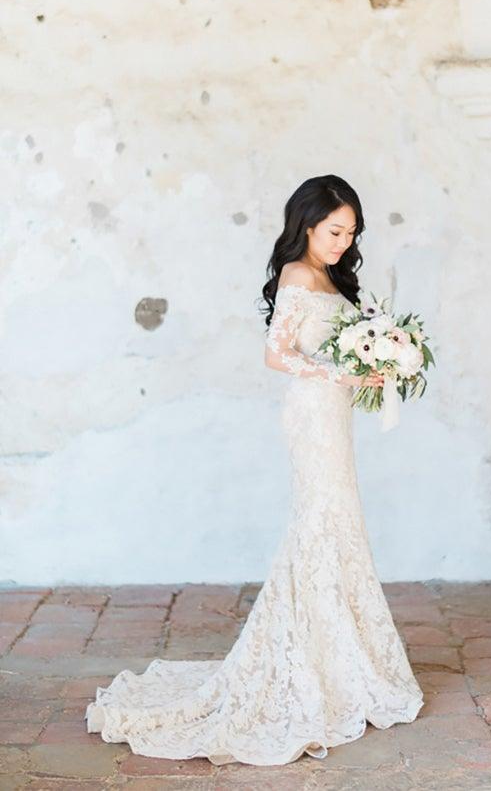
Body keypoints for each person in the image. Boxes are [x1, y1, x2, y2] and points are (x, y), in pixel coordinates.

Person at [85, 174, 424, 765]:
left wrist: (379, 359)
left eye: (351, 232)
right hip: (311, 415)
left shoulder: (333, 277)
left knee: (337, 521)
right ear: (307, 225)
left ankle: (338, 651)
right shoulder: (297, 275)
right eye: (334, 231)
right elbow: (276, 354)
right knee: (320, 520)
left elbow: (343, 344)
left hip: (333, 414)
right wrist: (343, 372)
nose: (343, 242)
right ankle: (313, 653)